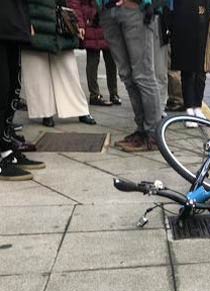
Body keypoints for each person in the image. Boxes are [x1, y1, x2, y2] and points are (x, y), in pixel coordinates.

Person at [21, 0, 97, 128]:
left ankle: (79, 109)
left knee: (68, 69)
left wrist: (78, 22)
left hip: (59, 21)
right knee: (37, 70)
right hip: (35, 19)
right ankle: (45, 112)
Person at [98, 0, 161, 152]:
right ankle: (142, 131)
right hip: (108, 11)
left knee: (143, 75)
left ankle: (153, 134)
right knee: (127, 76)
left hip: (134, 8)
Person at [1, 0, 46, 181]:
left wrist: (26, 20)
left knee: (12, 88)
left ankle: (6, 148)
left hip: (13, 21)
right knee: (2, 90)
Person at [170, 0, 210, 128]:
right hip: (183, 29)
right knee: (187, 71)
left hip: (202, 30)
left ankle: (197, 106)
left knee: (201, 72)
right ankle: (189, 109)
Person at [68, 0, 121, 107]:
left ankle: (113, 93)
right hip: (92, 22)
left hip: (106, 21)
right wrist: (80, 24)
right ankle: (95, 94)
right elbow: (75, 4)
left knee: (111, 60)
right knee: (93, 59)